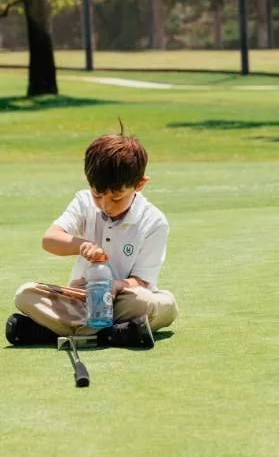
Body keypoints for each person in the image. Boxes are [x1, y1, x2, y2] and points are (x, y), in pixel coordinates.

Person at [5, 131, 178, 347]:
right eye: (98, 195)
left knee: (161, 304)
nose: (105, 205)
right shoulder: (83, 202)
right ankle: (114, 333)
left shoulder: (154, 221)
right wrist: (82, 245)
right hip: (81, 297)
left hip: (123, 299)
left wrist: (117, 285)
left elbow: (142, 281)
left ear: (140, 184)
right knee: (25, 294)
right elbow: (50, 239)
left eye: (116, 197)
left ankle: (52, 331)